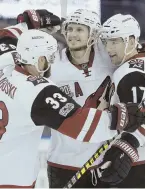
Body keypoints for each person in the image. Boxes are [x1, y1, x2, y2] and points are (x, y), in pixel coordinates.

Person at [46, 9, 143, 188]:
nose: (72, 34)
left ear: (94, 34)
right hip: (63, 162)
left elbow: (135, 53)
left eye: (79, 29)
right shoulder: (53, 65)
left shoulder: (110, 57)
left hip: (104, 161)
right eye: (69, 29)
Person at [99, 14, 145, 188]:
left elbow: (140, 116)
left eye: (115, 41)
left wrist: (126, 148)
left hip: (135, 164)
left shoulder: (129, 72)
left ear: (132, 42)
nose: (108, 48)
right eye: (106, 42)